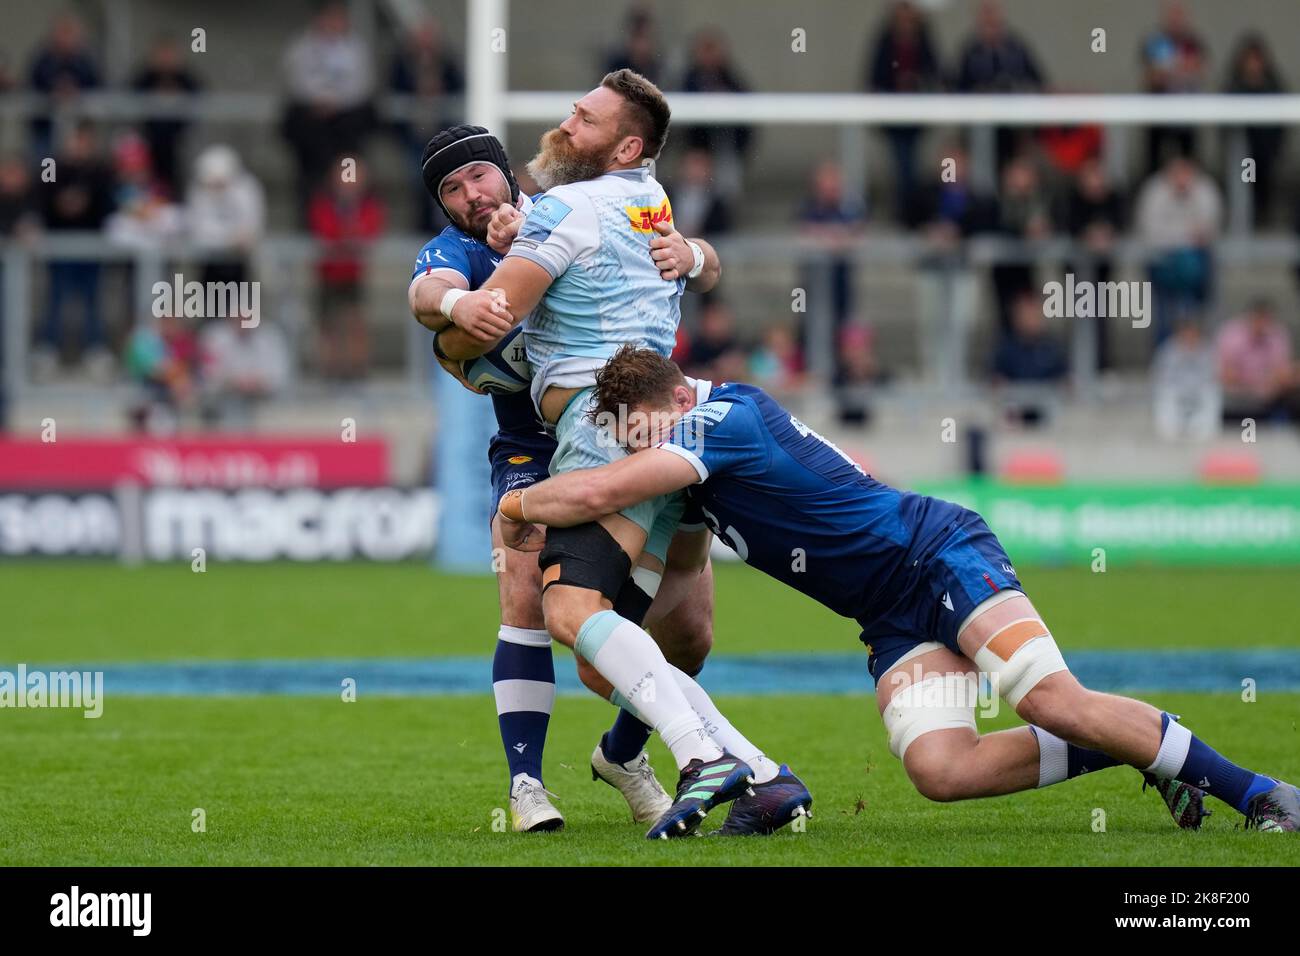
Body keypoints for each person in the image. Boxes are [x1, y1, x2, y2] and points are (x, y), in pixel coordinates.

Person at [500, 345, 1300, 835]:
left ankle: (1261, 794)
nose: (653, 449)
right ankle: (1132, 745)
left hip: (938, 554)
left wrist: (518, 501)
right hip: (888, 611)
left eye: (650, 432)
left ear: (679, 399)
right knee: (942, 772)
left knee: (1046, 699)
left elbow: (598, 494)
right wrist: (634, 651)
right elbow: (683, 577)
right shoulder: (699, 465)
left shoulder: (717, 421)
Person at [438, 73, 810, 839]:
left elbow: (493, 317)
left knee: (580, 620)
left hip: (600, 425)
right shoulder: (652, 197)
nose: (566, 122)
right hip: (674, 418)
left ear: (627, 143)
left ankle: (713, 759)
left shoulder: (569, 208)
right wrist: (702, 256)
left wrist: (453, 334)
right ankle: (753, 776)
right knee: (626, 639)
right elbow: (691, 264)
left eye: (585, 117)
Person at [408, 125, 724, 833]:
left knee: (690, 631)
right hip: (533, 449)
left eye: (478, 178)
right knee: (525, 596)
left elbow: (696, 257)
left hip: (628, 435)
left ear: (506, 172)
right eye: (452, 191)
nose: (470, 197)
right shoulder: (454, 251)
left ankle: (622, 754)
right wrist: (462, 307)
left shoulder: (573, 207)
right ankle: (526, 786)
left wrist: (694, 253)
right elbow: (428, 294)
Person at [1215, 299, 1300, 426]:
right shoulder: (1231, 334)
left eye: (1266, 320)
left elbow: (1282, 372)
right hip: (1238, 390)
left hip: (1269, 392)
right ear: (1250, 318)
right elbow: (1227, 375)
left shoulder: (1277, 333)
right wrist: (1258, 384)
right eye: (1259, 320)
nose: (1262, 325)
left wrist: (1272, 382)